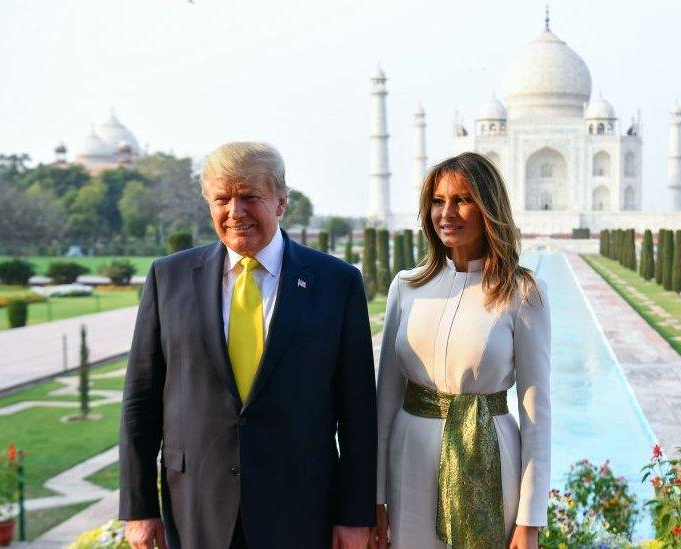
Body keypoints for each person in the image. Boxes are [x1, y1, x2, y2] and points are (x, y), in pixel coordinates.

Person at [119, 142, 376, 549]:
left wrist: (355, 516)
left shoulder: (336, 283)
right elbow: (140, 401)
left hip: (301, 507)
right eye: (222, 198)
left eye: (249, 197)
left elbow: (359, 411)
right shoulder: (168, 278)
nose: (235, 212)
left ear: (280, 202)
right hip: (196, 507)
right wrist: (138, 508)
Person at [374, 152, 551, 549]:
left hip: (487, 456)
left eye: (462, 199)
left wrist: (530, 520)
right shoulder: (407, 287)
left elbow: (536, 413)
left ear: (488, 207)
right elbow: (385, 401)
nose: (447, 212)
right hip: (410, 456)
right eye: (438, 201)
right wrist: (376, 497)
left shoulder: (520, 292)